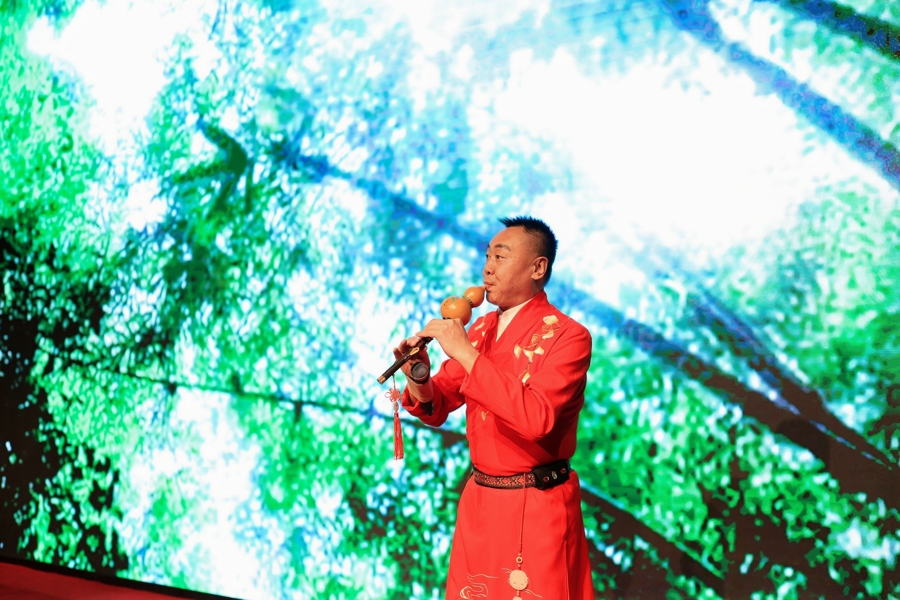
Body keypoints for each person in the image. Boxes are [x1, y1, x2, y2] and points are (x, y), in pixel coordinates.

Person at [393, 216, 595, 599]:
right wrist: (418, 373)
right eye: (487, 256)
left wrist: (466, 353)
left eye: (500, 257)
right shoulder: (482, 329)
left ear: (538, 268)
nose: (487, 268)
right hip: (481, 503)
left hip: (536, 505)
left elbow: (537, 418)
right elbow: (438, 405)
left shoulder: (569, 336)